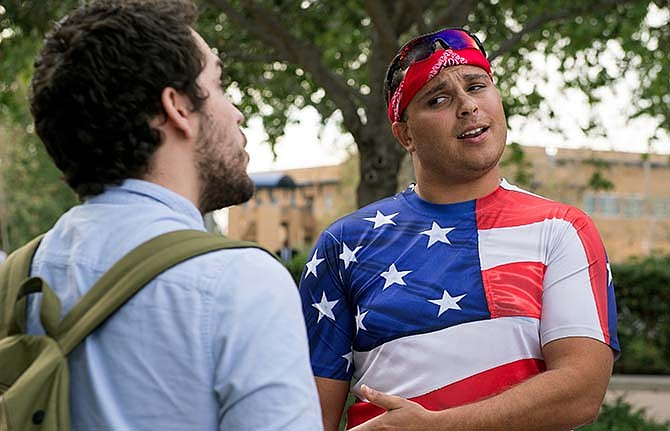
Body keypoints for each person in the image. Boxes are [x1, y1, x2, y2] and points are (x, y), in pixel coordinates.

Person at [299, 27, 619, 431]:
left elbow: (581, 392)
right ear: (405, 134)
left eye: (477, 86)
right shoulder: (345, 244)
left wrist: (437, 426)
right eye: (439, 99)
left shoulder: (561, 229)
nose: (468, 106)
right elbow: (308, 418)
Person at [26, 1, 322, 429]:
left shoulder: (21, 278)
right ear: (177, 107)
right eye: (219, 85)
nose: (236, 111)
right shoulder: (241, 284)